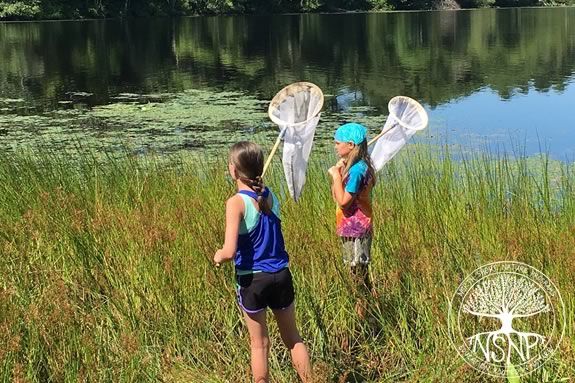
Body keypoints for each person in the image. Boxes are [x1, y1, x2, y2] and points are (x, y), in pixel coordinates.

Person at [213, 141, 311, 383]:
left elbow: (229, 250)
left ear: (233, 170)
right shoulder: (270, 195)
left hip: (252, 279)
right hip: (281, 275)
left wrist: (218, 256)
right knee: (293, 339)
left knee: (259, 345)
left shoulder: (235, 203)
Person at [327, 123, 376, 318]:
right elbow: (336, 198)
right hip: (350, 228)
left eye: (338, 143)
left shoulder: (357, 171)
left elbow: (343, 202)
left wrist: (335, 177)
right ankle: (368, 310)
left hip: (357, 229)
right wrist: (338, 175)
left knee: (357, 273)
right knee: (357, 271)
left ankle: (361, 316)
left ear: (350, 145)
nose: (335, 146)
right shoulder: (354, 168)